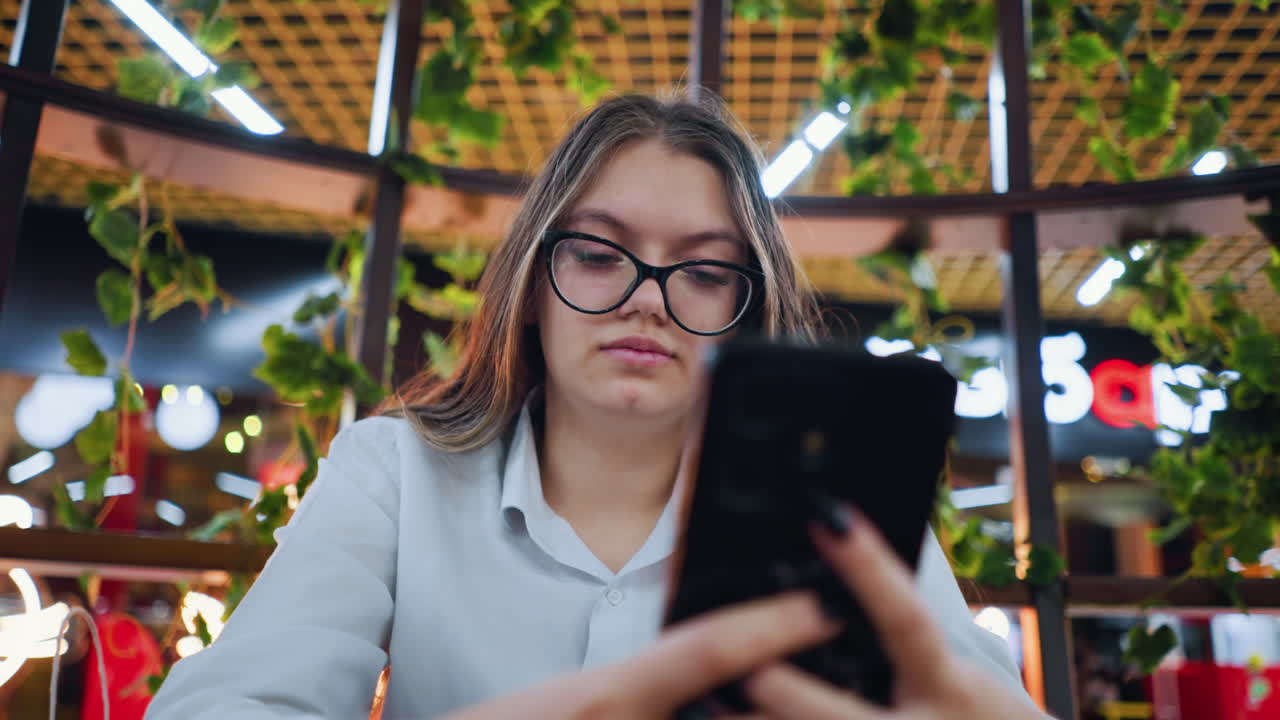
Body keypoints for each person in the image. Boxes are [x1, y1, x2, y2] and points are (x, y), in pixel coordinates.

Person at [146, 93, 1049, 719]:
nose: (648, 299)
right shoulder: (396, 474)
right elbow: (235, 702)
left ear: (749, 317)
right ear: (531, 285)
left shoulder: (830, 512)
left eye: (702, 272)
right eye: (597, 254)